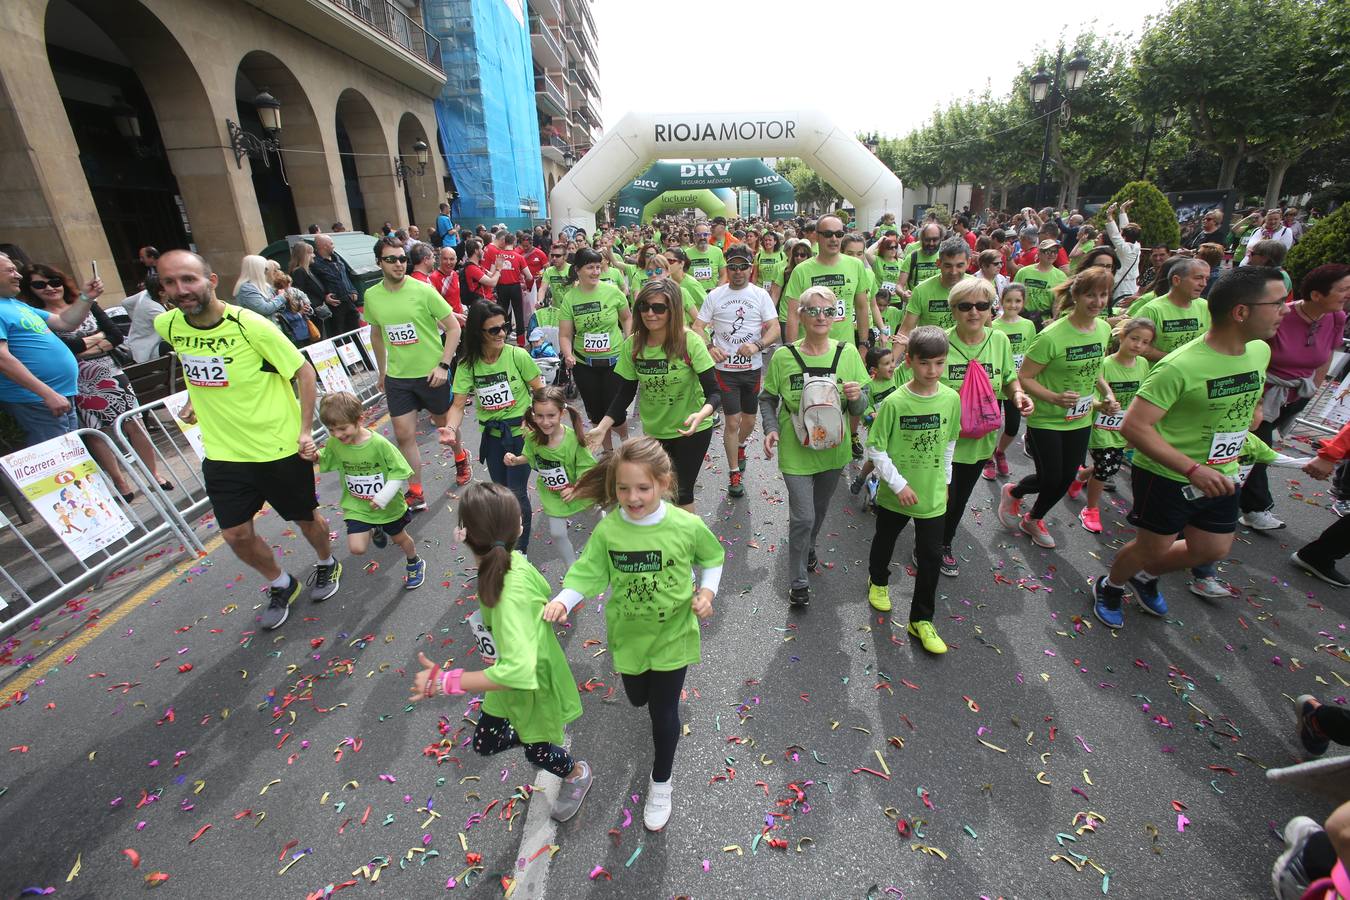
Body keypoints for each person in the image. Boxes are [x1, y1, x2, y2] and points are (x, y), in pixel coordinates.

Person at [1090, 266, 1288, 628]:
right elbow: (1135, 427)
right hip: (1168, 475)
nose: (1285, 310)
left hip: (1224, 471)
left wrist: (1256, 407)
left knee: (1211, 549)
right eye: (1276, 303)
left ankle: (1144, 576)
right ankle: (1112, 584)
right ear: (1241, 311)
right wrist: (1192, 469)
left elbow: (1252, 389)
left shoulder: (1259, 351)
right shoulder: (1179, 366)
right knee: (1153, 546)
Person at [543, 436, 723, 831]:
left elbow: (712, 557)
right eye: (623, 488)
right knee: (637, 698)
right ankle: (646, 697)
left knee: (663, 713)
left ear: (663, 482)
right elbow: (589, 572)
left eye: (643, 487)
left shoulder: (686, 525)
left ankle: (661, 784)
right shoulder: (610, 531)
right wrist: (564, 599)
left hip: (674, 636)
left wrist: (707, 592)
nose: (633, 497)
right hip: (628, 638)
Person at [154, 249, 340, 629]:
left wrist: (305, 431)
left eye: (188, 279)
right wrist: (193, 398)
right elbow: (195, 364)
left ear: (211, 281)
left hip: (277, 446)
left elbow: (303, 372)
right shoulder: (170, 326)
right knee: (236, 534)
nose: (180, 289)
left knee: (306, 520)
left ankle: (326, 562)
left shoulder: (249, 325)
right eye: (170, 282)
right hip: (223, 452)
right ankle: (281, 583)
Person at [409, 482, 592, 823]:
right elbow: (539, 602)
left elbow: (520, 669)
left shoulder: (510, 586)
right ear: (520, 527)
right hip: (508, 680)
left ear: (461, 534)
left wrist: (449, 681)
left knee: (538, 750)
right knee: (486, 742)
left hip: (529, 685)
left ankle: (576, 772)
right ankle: (533, 740)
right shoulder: (510, 561)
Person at [21, 263, 173, 497]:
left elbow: (114, 335)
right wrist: (95, 341)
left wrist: (84, 346)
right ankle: (121, 483)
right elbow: (66, 347)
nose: (50, 288)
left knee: (134, 424)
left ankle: (154, 474)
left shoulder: (86, 305)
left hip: (111, 371)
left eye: (54, 281)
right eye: (40, 285)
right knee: (96, 431)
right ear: (30, 289)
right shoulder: (37, 316)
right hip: (78, 380)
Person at [760, 287, 869, 607]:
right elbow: (767, 398)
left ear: (837, 316)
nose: (821, 317)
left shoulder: (847, 353)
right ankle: (798, 582)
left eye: (828, 311)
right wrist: (769, 429)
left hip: (834, 450)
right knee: (803, 516)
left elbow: (862, 406)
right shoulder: (784, 356)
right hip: (795, 448)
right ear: (800, 315)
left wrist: (855, 397)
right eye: (813, 311)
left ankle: (809, 547)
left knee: (819, 512)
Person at [998, 267, 1118, 549]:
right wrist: (1053, 398)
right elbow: (1024, 377)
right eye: (1091, 295)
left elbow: (1096, 367)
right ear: (1075, 295)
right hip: (1046, 419)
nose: (1098, 302)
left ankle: (1033, 518)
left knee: (1066, 478)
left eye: (1103, 295)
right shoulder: (1051, 336)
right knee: (1051, 477)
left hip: (1081, 418)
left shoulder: (1103, 329)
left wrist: (1107, 393)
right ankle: (1014, 491)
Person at [864, 326, 960, 653]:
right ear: (910, 360)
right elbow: (875, 448)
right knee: (885, 540)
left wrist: (945, 482)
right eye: (924, 364)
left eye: (939, 363)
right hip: (896, 494)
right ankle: (878, 581)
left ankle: (921, 620)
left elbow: (949, 443)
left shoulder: (951, 398)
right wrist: (898, 484)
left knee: (932, 556)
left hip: (932, 496)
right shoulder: (895, 402)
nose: (931, 371)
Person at [588, 280, 721, 512]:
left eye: (659, 308)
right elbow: (625, 393)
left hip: (692, 431)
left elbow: (714, 393)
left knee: (682, 493)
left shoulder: (690, 341)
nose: (650, 313)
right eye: (644, 307)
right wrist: (602, 427)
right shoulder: (633, 345)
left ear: (673, 311)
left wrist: (702, 414)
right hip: (655, 431)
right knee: (653, 491)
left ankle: (690, 546)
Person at [1240, 263, 1350, 532]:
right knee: (1259, 448)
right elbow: (1252, 353)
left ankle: (1225, 491)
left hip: (1297, 395)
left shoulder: (1336, 317)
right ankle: (1255, 508)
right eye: (1343, 289)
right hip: (1263, 394)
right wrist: (1255, 399)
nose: (1347, 295)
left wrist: (1312, 387)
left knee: (1251, 448)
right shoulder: (1281, 315)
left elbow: (1325, 358)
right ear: (1316, 294)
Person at [363, 236, 464, 509]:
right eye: (391, 259)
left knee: (446, 428)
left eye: (402, 259)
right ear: (378, 263)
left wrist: (443, 365)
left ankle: (459, 457)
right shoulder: (372, 296)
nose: (398, 264)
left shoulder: (423, 290)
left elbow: (453, 327)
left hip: (431, 375)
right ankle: (416, 491)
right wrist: (382, 372)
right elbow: (377, 334)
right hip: (398, 379)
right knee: (404, 435)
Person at [939, 280, 1032, 573]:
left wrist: (1017, 394)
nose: (974, 312)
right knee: (938, 497)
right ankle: (927, 541)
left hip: (980, 440)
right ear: (953, 310)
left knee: (959, 499)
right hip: (944, 439)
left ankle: (944, 542)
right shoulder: (939, 341)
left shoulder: (999, 340)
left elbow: (1008, 376)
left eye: (982, 305)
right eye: (965, 306)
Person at [442, 302, 544, 552]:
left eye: (504, 327)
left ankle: (521, 551)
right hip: (494, 438)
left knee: (517, 493)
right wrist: (450, 428)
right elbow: (457, 405)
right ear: (478, 332)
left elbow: (540, 391)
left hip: (520, 434)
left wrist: (535, 422)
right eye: (494, 330)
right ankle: (508, 541)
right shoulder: (468, 365)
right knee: (501, 494)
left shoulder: (517, 355)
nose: (501, 334)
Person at [693, 244, 781, 498]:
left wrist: (757, 344)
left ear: (751, 268)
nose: (738, 271)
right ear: (727, 268)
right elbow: (698, 326)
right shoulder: (716, 295)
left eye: (743, 266)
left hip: (752, 369)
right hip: (724, 370)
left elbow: (774, 327)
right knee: (732, 420)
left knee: (749, 421)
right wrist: (710, 346)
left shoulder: (759, 295)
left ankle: (741, 446)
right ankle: (733, 472)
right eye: (733, 266)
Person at [316, 392, 425, 589]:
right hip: (358, 505)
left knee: (401, 539)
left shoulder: (379, 444)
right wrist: (313, 456)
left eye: (342, 428)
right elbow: (325, 458)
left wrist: (383, 497)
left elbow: (400, 472)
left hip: (388, 507)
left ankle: (414, 561)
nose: (338, 435)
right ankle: (374, 529)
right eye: (331, 430)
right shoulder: (336, 443)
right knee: (357, 548)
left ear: (360, 419)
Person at [0, 253, 104, 446]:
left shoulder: (15, 304)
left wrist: (86, 297)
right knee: (58, 458)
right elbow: (2, 358)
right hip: (37, 400)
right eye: (11, 270)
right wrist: (46, 393)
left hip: (57, 396)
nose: (18, 275)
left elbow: (65, 322)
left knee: (71, 454)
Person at [1066, 317, 1155, 533]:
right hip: (1100, 426)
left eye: (1145, 342)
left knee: (1108, 463)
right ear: (1122, 336)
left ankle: (1081, 476)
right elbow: (1089, 395)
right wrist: (1102, 405)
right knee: (1107, 466)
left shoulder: (1143, 364)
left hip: (1124, 426)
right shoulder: (1105, 365)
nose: (1138, 346)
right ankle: (1091, 509)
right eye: (1134, 339)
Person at [503, 386, 594, 571]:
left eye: (551, 415)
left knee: (598, 516)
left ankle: (611, 536)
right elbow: (529, 455)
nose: (545, 422)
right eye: (539, 416)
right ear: (533, 414)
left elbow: (588, 468)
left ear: (562, 413)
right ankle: (572, 568)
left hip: (580, 489)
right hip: (553, 494)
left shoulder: (573, 439)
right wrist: (515, 460)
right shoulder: (533, 436)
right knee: (557, 533)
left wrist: (576, 488)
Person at [558, 247, 631, 453]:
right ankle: (608, 453)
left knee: (616, 413)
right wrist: (568, 354)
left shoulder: (612, 291)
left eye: (598, 267)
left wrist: (629, 342)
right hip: (585, 364)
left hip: (614, 362)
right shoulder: (570, 298)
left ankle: (625, 442)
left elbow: (626, 318)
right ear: (578, 270)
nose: (596, 272)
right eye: (590, 267)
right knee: (596, 414)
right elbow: (564, 334)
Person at [783, 215, 870, 346]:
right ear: (816, 236)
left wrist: (864, 344)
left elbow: (862, 307)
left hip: (844, 348)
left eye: (839, 234)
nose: (834, 239)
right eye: (828, 234)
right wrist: (792, 352)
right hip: (809, 349)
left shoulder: (856, 265)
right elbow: (793, 316)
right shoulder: (801, 270)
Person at [1138, 257, 1212, 363]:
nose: (1203, 284)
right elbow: (1137, 346)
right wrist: (1178, 361)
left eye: (1207, 279)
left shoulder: (1206, 307)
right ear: (1176, 280)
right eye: (1198, 278)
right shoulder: (1152, 310)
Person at [899, 237, 974, 333]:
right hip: (931, 347)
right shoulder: (921, 291)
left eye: (959, 265)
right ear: (938, 263)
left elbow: (987, 328)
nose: (953, 272)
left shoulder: (977, 289)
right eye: (948, 266)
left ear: (968, 263)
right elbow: (905, 330)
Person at [311, 234, 360, 337]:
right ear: (324, 246)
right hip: (335, 305)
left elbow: (345, 277)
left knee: (356, 332)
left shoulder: (337, 258)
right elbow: (312, 286)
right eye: (331, 243)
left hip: (348, 301)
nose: (333, 246)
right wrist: (324, 298)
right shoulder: (314, 264)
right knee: (339, 335)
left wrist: (353, 290)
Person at [1014, 239, 1069, 326]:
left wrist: (1054, 320)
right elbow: (1013, 295)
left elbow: (1060, 302)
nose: (1052, 254)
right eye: (1048, 251)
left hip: (1045, 322)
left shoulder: (1061, 276)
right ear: (1039, 253)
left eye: (1055, 252)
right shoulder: (1023, 272)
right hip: (1022, 319)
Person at [120, 272, 169, 364]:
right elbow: (172, 331)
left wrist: (138, 320)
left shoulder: (145, 294)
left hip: (136, 342)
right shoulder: (154, 309)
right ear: (161, 293)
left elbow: (125, 303)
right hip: (148, 350)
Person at [1101, 201, 1142, 311]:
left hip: (1122, 289)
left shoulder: (1125, 249)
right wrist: (1122, 211)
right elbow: (1124, 231)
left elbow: (1115, 235)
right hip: (1132, 286)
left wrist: (1109, 216)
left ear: (1123, 236)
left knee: (1119, 312)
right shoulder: (1137, 246)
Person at [493, 233, 528, 346]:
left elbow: (493, 272)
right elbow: (529, 276)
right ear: (514, 242)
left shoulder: (498, 255)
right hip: (515, 287)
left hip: (501, 287)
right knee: (518, 313)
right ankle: (521, 341)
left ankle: (502, 337)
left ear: (504, 242)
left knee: (501, 313)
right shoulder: (519, 257)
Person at [684, 223, 727, 294]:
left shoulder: (717, 251)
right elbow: (682, 276)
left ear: (709, 236)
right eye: (699, 235)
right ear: (694, 237)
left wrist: (718, 289)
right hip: (694, 296)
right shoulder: (686, 253)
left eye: (705, 234)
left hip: (712, 295)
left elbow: (724, 274)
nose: (702, 237)